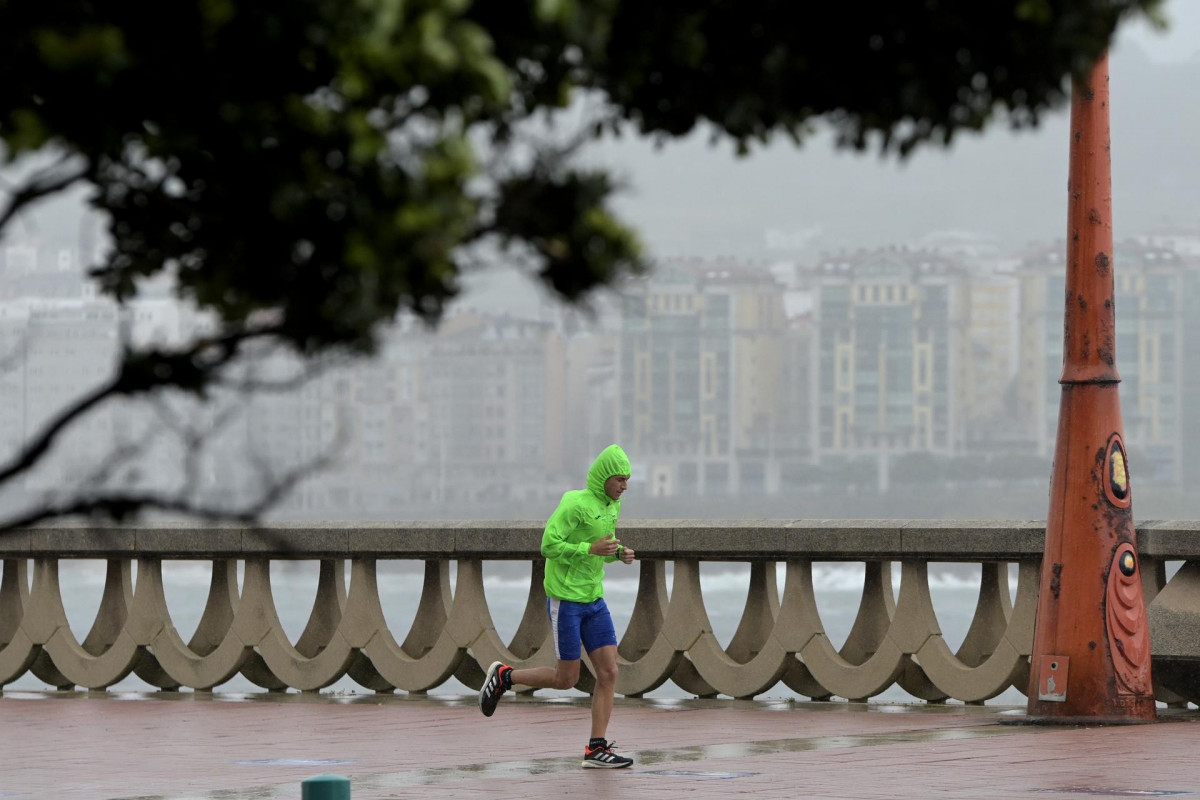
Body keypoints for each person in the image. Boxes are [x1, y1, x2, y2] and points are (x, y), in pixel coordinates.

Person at [478, 444, 637, 769]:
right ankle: (505, 677)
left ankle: (596, 749)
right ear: (604, 477)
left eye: (627, 480)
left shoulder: (611, 507)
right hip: (566, 601)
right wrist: (589, 548)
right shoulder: (574, 503)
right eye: (619, 479)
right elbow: (549, 545)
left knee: (609, 671)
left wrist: (617, 553)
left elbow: (600, 547)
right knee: (567, 679)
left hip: (594, 599)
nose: (624, 486)